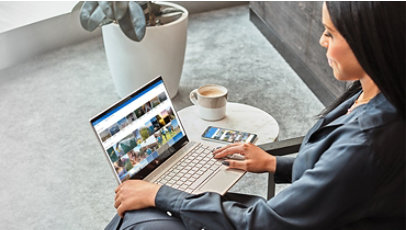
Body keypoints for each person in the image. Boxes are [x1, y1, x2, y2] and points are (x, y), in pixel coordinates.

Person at [107, 2, 405, 229]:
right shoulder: (376, 88)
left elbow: (262, 223)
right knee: (146, 207)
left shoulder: (366, 143)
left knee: (139, 214)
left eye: (330, 33)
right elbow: (339, 181)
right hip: (311, 216)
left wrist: (161, 195)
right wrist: (276, 163)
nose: (321, 41)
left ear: (369, 42)